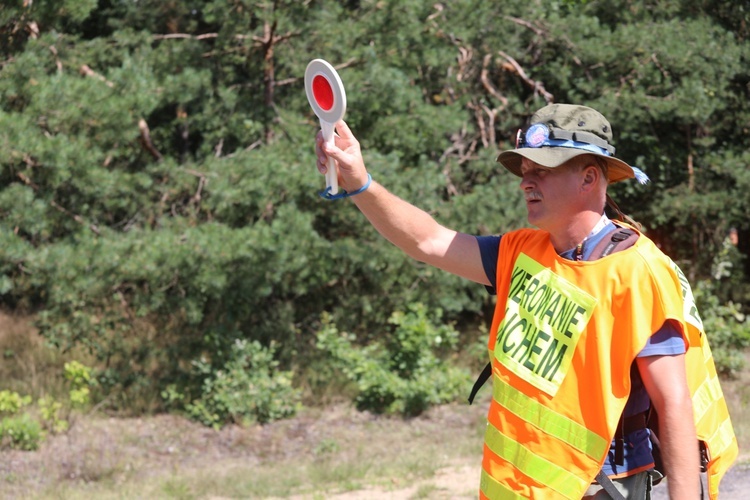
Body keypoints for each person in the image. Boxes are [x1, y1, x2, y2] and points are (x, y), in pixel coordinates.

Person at [314, 103, 737, 499]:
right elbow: (428, 240)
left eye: (544, 170)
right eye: (525, 169)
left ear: (590, 178)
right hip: (511, 485)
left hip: (596, 490)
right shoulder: (521, 251)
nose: (526, 181)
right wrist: (360, 183)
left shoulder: (637, 270)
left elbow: (674, 404)